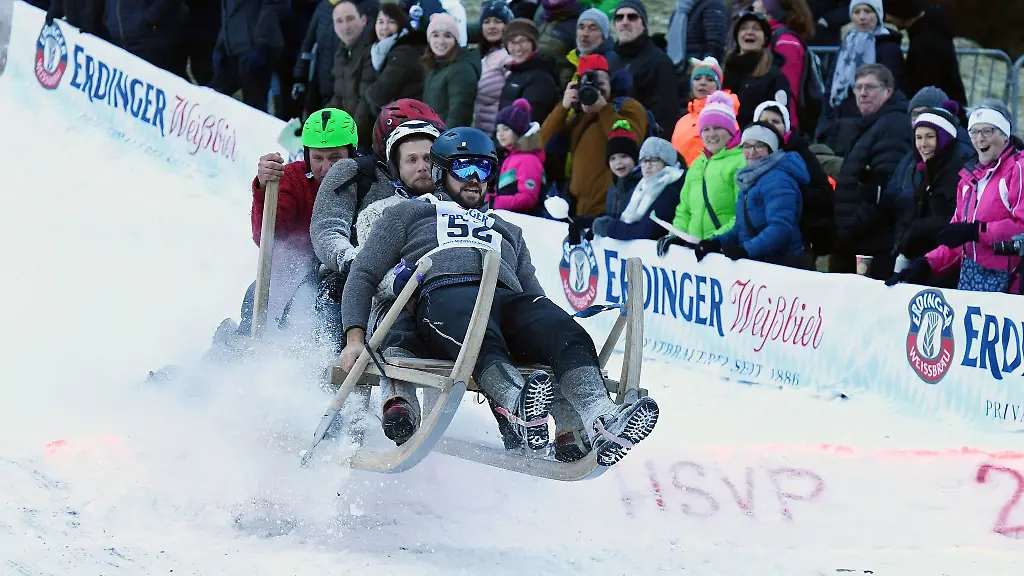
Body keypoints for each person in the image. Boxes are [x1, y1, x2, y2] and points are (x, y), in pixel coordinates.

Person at [339, 126, 660, 466]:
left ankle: (600, 416)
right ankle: (515, 402)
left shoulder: (507, 230)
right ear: (439, 171)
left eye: (484, 169)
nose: (474, 178)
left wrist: (548, 327)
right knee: (475, 326)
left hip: (504, 299)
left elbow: (533, 296)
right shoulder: (409, 214)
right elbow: (364, 274)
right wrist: (354, 338)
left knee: (562, 328)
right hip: (443, 297)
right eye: (463, 168)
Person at [238, 108, 359, 336]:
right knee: (256, 295)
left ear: (352, 154)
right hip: (292, 269)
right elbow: (268, 236)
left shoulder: (364, 180)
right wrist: (264, 188)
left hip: (340, 273)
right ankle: (234, 352)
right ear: (307, 156)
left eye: (335, 158)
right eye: (318, 158)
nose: (326, 168)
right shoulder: (294, 178)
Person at [887, 102, 1024, 293]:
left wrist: (977, 231)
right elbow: (958, 239)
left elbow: (1021, 229)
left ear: (1004, 135)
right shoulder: (968, 180)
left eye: (987, 131)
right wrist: (926, 264)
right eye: (974, 132)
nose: (979, 139)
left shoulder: (1018, 169)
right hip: (972, 280)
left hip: (1012, 281)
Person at [694, 121, 812, 268]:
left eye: (759, 145)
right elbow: (741, 228)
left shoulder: (779, 180)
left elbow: (780, 228)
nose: (752, 152)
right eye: (747, 146)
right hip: (762, 264)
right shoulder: (748, 178)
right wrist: (718, 242)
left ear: (771, 148)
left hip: (784, 266)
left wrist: (746, 250)